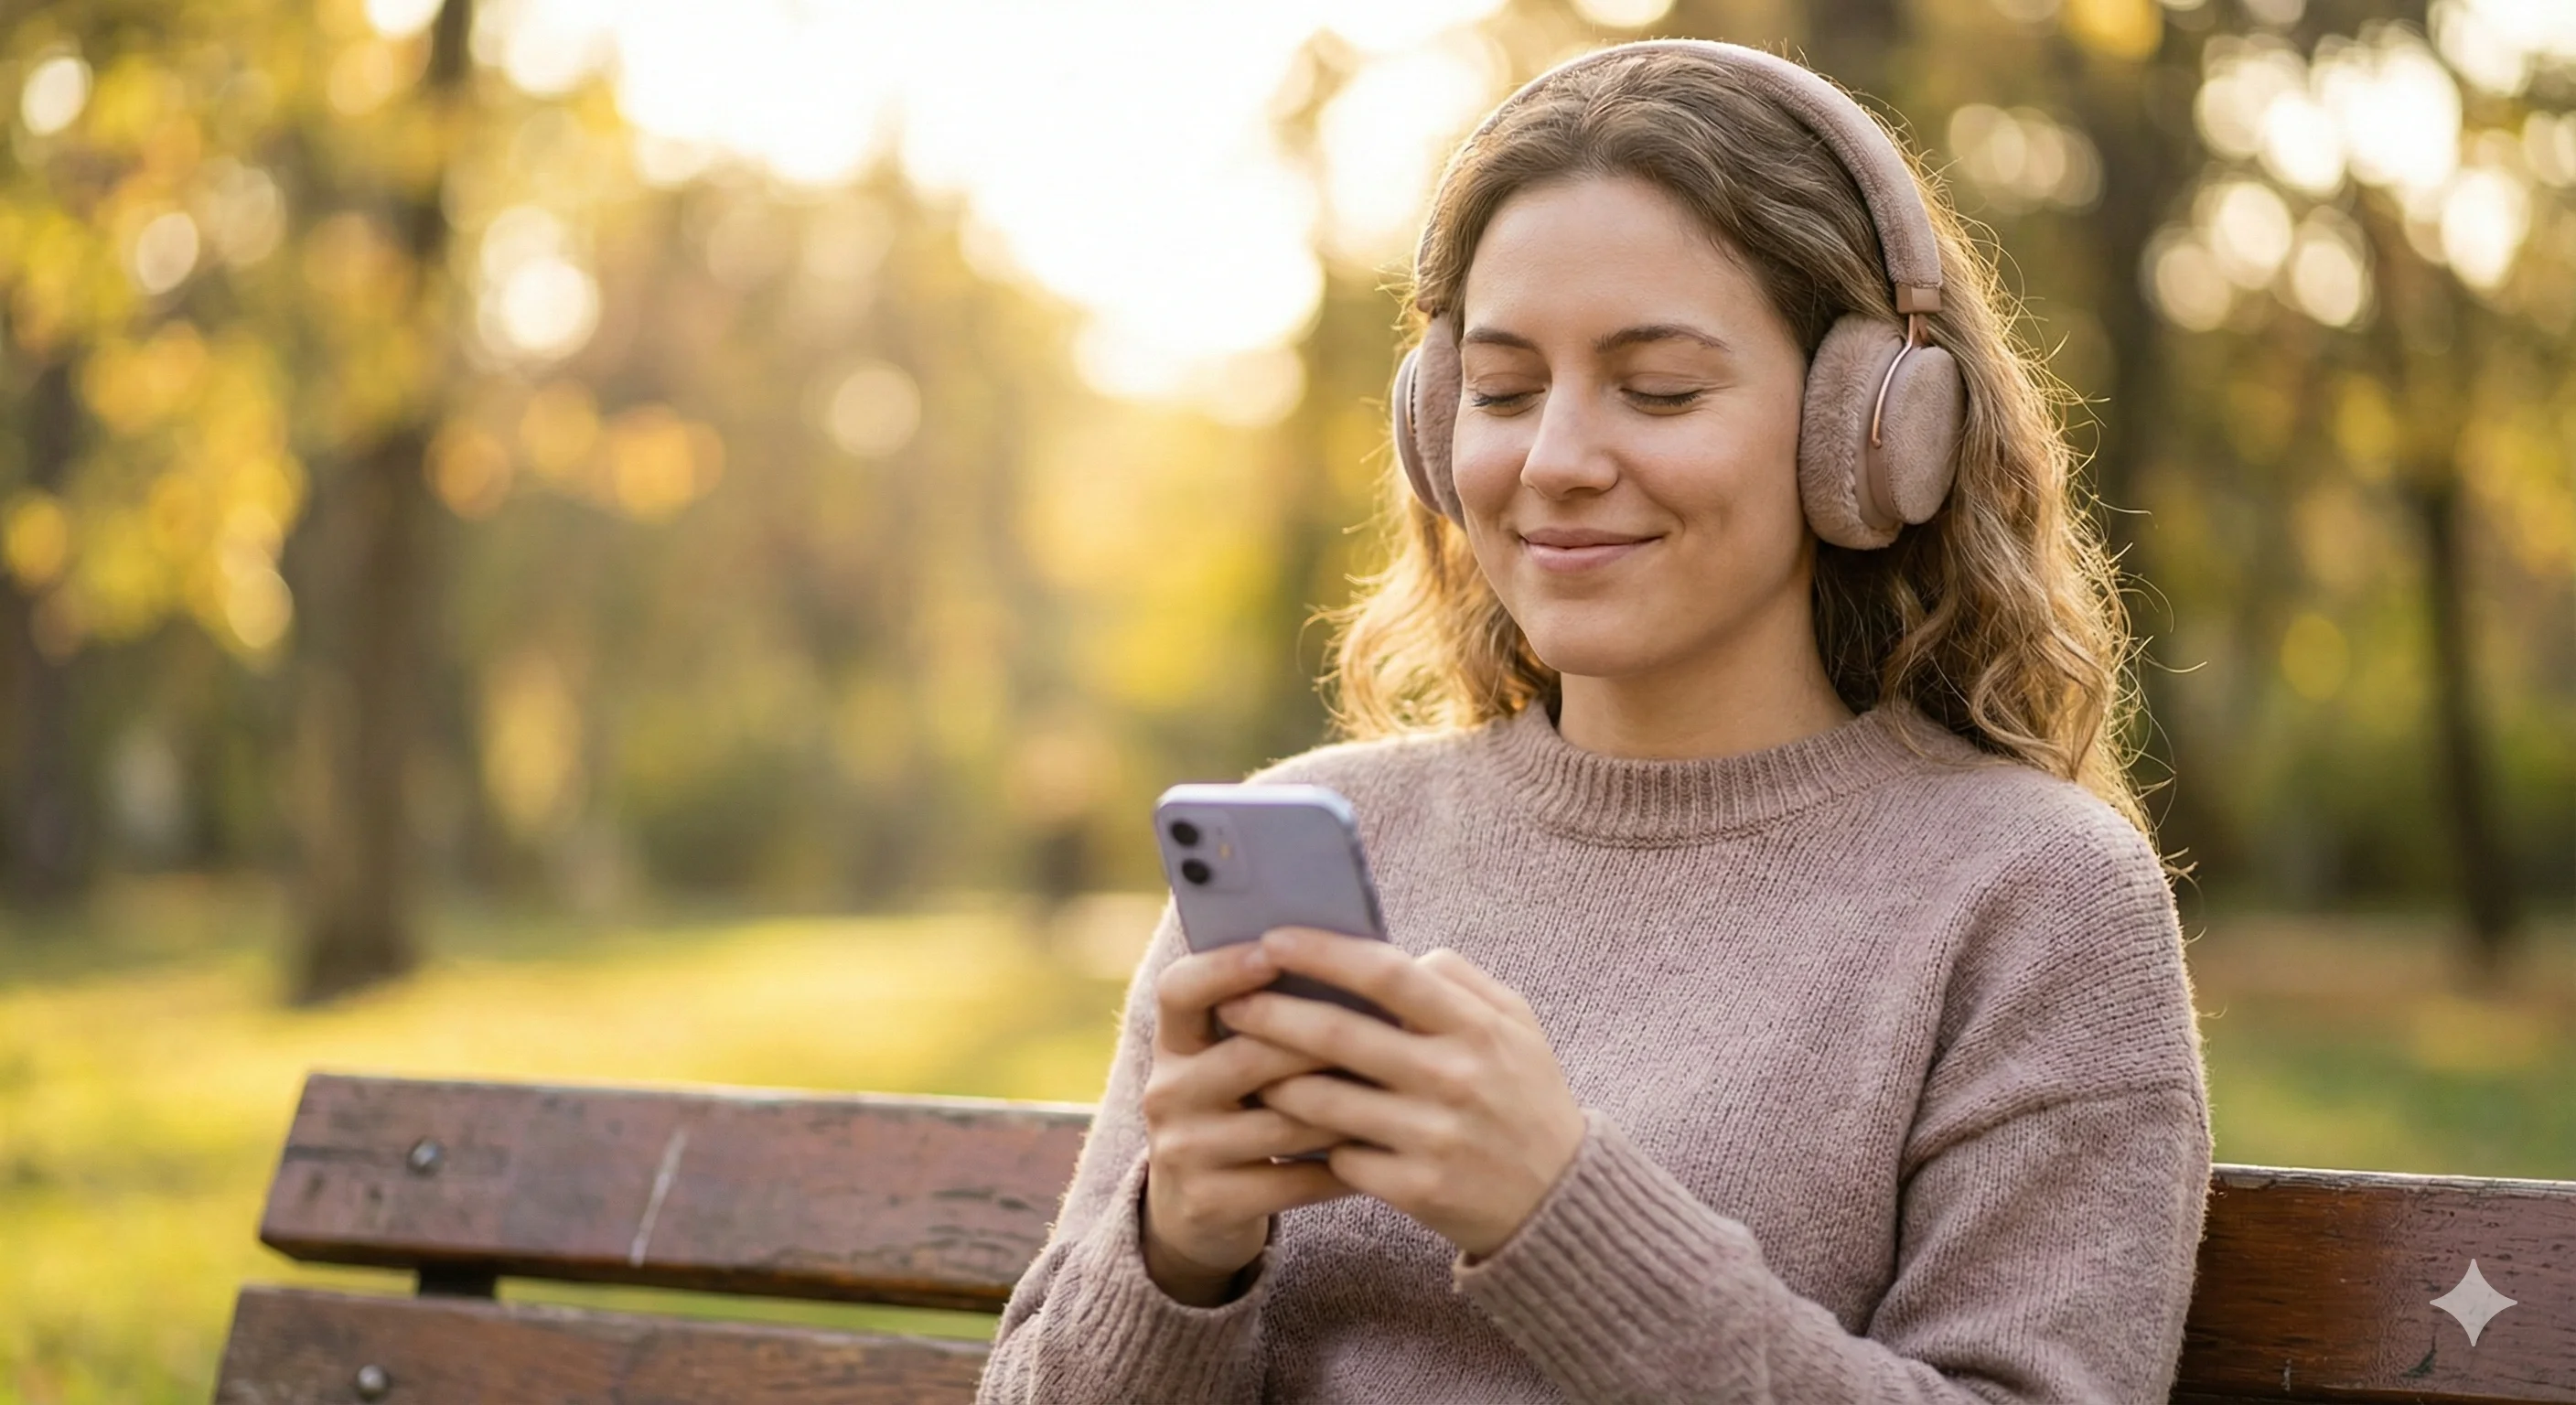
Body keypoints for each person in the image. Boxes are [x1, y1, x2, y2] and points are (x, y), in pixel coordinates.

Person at [978, 38, 2208, 1404]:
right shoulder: (1320, 837)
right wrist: (1178, 1252)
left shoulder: (2031, 897)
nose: (1557, 460)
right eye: (1503, 393)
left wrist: (1557, 1211)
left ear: (1869, 430)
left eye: (1660, 389)